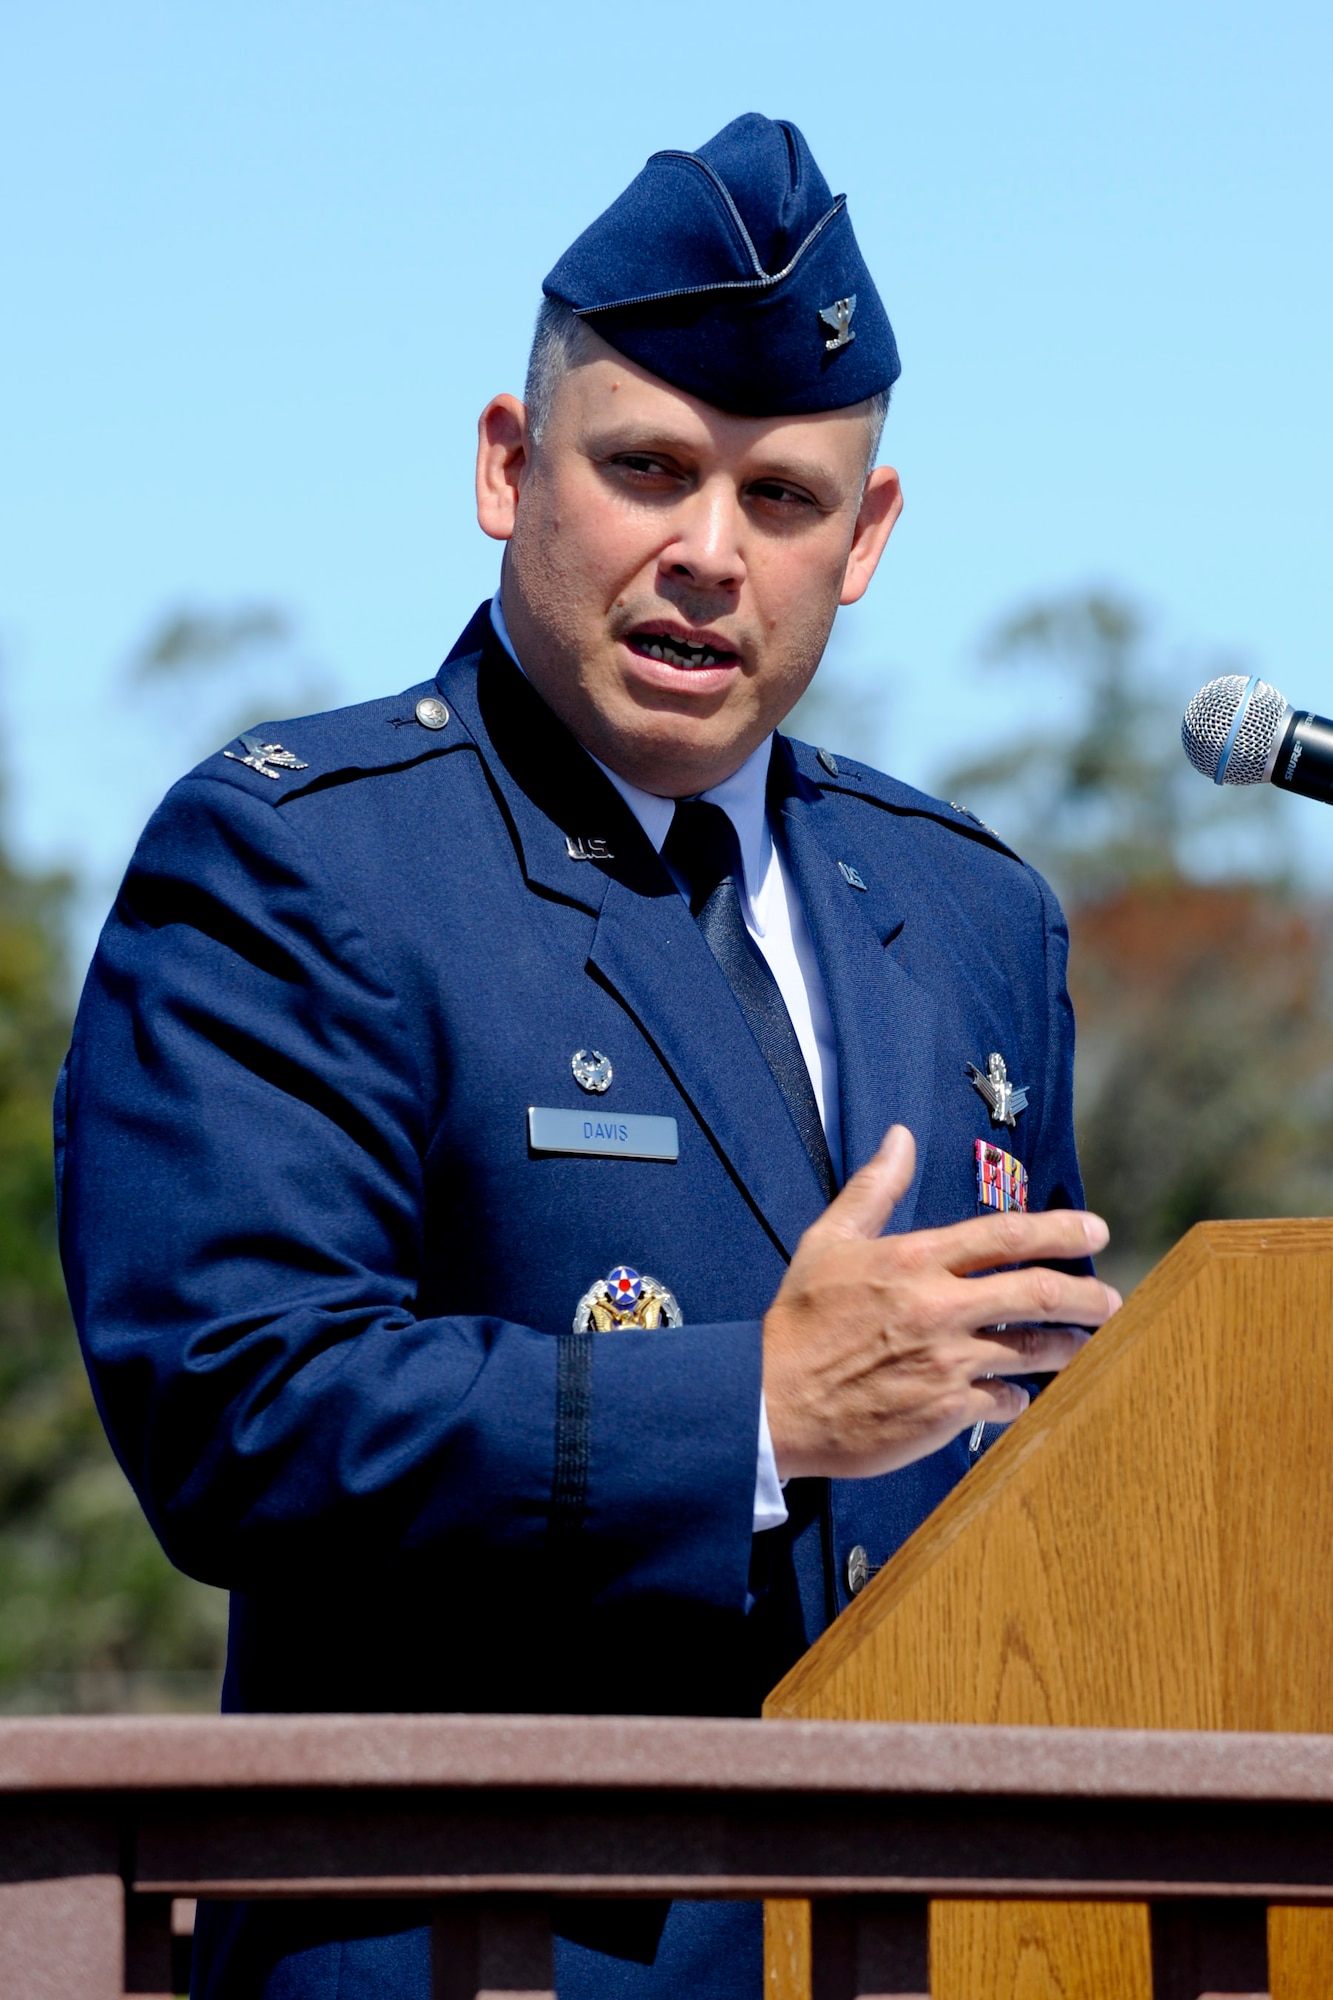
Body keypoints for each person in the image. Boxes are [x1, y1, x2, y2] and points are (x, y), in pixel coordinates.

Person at [56, 113, 1119, 2000]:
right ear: (506, 464)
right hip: (485, 1952)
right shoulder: (302, 859)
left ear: (864, 540)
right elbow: (238, 1415)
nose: (708, 554)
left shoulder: (970, 914)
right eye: (645, 470)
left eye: (782, 498)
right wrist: (750, 1416)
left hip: (936, 1950)